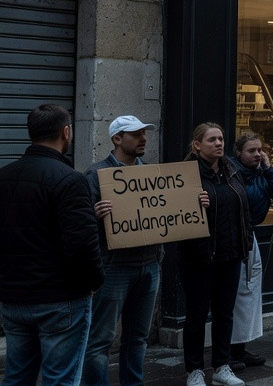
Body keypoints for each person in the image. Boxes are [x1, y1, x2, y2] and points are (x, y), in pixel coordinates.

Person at [0, 105, 103, 386]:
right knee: (60, 379)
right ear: (65, 132)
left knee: (16, 376)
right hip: (61, 300)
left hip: (14, 298)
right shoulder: (71, 180)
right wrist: (93, 282)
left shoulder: (4, 176)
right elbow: (82, 244)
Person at [84, 115, 163, 386]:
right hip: (114, 267)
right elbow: (78, 224)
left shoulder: (152, 175)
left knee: (138, 338)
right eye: (136, 134)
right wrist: (93, 215)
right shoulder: (95, 175)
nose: (144, 138)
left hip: (149, 265)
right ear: (117, 139)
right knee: (99, 340)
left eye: (145, 133)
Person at [180, 122, 254, 386]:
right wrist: (192, 202)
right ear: (197, 145)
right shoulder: (186, 175)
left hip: (230, 255)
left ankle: (222, 367)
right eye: (212, 140)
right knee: (197, 316)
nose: (219, 143)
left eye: (221, 139)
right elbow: (176, 214)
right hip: (200, 257)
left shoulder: (231, 170)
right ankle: (195, 370)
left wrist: (243, 247)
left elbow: (242, 208)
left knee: (224, 313)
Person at [230, 132, 273, 371]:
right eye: (251, 151)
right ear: (239, 154)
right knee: (236, 295)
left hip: (250, 235)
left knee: (249, 294)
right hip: (235, 237)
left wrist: (269, 168)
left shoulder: (261, 172)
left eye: (259, 150)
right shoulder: (233, 174)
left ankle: (240, 347)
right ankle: (229, 350)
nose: (257, 154)